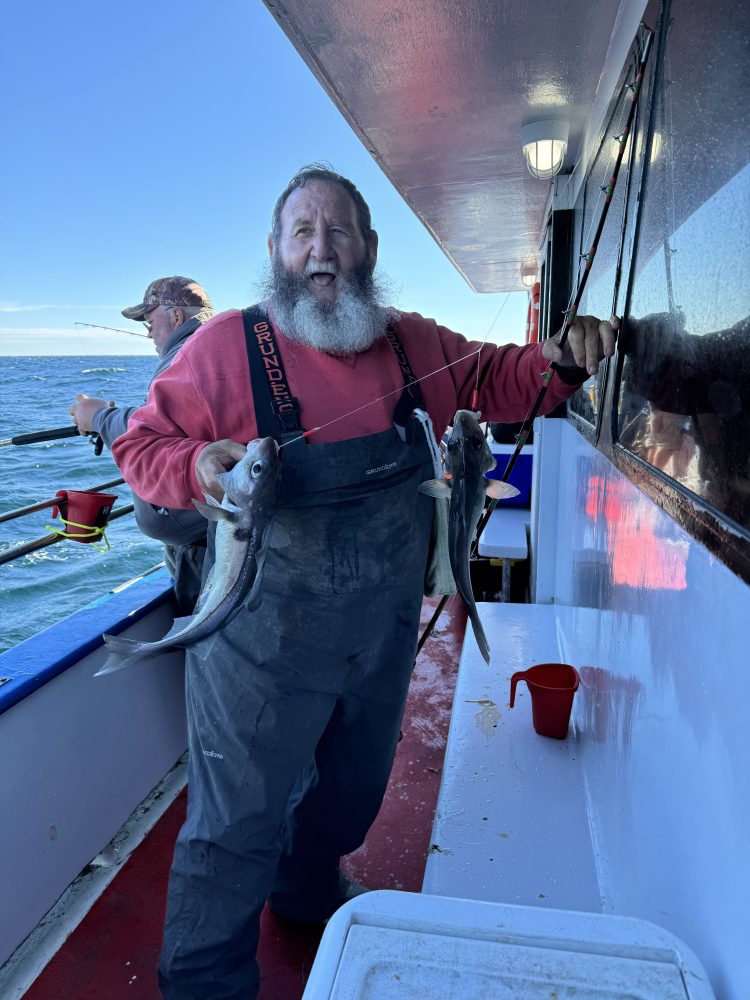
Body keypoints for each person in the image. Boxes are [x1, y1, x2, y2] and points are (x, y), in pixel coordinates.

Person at [112, 166, 617, 1000]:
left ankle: (306, 895)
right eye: (303, 232)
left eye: (339, 230)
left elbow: (496, 379)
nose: (322, 251)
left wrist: (558, 363)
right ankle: (205, 979)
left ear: (370, 248)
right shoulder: (223, 348)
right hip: (256, 649)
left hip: (377, 637)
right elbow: (141, 445)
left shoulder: (410, 340)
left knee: (351, 800)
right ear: (276, 252)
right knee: (235, 823)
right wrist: (199, 462)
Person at [69, 277, 214, 613]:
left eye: (150, 323)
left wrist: (101, 418)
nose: (148, 334)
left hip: (206, 544)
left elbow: (159, 436)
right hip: (209, 532)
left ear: (176, 317)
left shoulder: (187, 356)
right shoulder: (212, 349)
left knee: (205, 634)